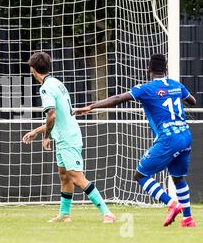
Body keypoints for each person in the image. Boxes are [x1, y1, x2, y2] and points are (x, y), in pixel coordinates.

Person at [74, 54, 196, 227]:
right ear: (166, 69)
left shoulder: (145, 88)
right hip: (185, 135)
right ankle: (188, 219)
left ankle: (172, 204)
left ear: (149, 71)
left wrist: (91, 106)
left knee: (140, 175)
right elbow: (192, 101)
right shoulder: (177, 85)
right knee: (178, 178)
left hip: (169, 138)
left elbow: (117, 99)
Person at [22, 51, 115, 223]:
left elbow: (52, 115)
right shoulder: (57, 83)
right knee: (64, 175)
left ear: (33, 69)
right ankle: (64, 214)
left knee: (77, 178)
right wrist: (37, 131)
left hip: (67, 138)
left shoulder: (46, 88)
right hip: (65, 135)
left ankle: (106, 212)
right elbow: (61, 116)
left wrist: (46, 136)